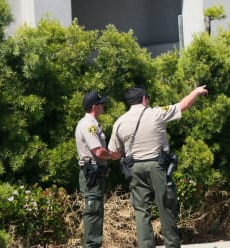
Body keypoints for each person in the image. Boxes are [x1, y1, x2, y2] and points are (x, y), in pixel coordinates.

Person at [108, 85, 208, 248]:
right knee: (165, 207)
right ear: (144, 99)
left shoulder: (119, 122)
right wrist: (195, 92)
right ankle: (171, 245)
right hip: (157, 166)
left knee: (141, 212)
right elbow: (182, 106)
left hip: (135, 168)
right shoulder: (156, 113)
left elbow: (113, 153)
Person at [75, 91, 121, 248]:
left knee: (96, 212)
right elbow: (99, 151)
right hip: (92, 174)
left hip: (95, 174)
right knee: (93, 213)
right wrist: (113, 155)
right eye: (101, 103)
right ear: (95, 106)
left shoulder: (92, 124)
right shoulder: (88, 125)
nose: (103, 106)